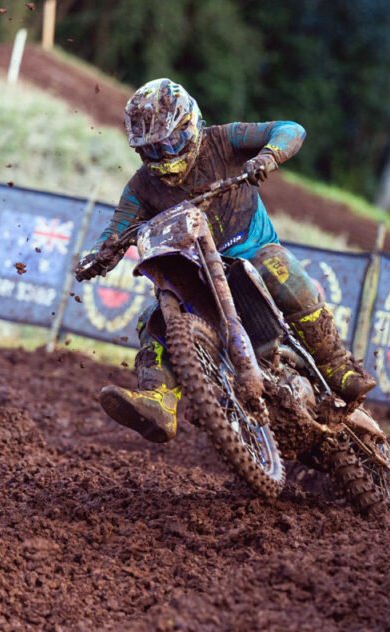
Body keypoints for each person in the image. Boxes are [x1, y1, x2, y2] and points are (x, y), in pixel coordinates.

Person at [75, 78, 374, 443]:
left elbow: (290, 129)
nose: (165, 157)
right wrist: (99, 256)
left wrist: (268, 156)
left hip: (250, 250)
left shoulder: (223, 140)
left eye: (171, 143)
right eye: (151, 151)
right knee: (151, 320)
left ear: (191, 126)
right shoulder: (141, 188)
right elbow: (116, 230)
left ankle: (337, 365)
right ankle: (158, 398)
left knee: (276, 267)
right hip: (196, 276)